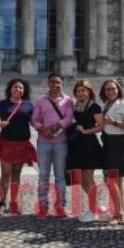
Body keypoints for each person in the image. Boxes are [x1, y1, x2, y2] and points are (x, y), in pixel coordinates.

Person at [0, 78, 36, 216]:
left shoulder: (28, 105)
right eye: (15, 87)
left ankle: (14, 203)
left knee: (16, 174)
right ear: (10, 89)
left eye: (21, 88)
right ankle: (2, 201)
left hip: (22, 143)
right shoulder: (2, 104)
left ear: (24, 91)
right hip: (7, 143)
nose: (18, 89)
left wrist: (46, 129)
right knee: (5, 174)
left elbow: (34, 123)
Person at [31, 73, 74, 218]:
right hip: (43, 142)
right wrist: (43, 130)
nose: (56, 84)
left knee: (60, 176)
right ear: (48, 84)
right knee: (43, 175)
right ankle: (43, 205)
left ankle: (60, 205)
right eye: (53, 82)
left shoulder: (68, 100)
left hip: (60, 142)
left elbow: (68, 118)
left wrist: (54, 128)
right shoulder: (40, 100)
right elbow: (34, 119)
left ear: (62, 84)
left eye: (58, 82)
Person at [99, 78, 124, 225]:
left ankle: (118, 214)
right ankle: (120, 212)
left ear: (118, 89)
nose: (110, 91)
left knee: (111, 179)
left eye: (113, 88)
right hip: (108, 142)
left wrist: (114, 122)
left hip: (117, 143)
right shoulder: (108, 104)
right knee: (117, 180)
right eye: (107, 89)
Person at [67, 79, 104, 223]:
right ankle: (97, 205)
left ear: (89, 91)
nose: (81, 93)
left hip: (89, 144)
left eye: (83, 90)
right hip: (77, 144)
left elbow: (100, 126)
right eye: (78, 91)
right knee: (81, 179)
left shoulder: (94, 106)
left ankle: (94, 210)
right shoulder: (76, 105)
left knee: (88, 178)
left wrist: (85, 131)